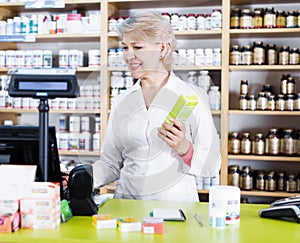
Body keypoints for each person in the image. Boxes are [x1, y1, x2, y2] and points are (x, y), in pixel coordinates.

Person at [93, 11, 220, 202]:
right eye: (125, 47)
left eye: (137, 47)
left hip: (175, 209)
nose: (129, 55)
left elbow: (212, 166)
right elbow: (110, 164)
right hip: (127, 207)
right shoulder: (122, 100)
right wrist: (79, 178)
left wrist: (184, 147)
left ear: (162, 48)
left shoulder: (191, 97)